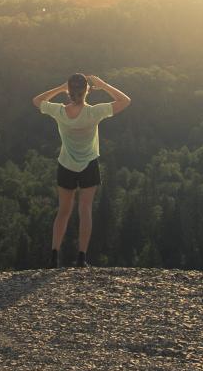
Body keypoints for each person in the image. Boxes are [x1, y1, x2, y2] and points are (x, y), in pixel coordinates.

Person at [32, 73, 131, 268]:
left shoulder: (59, 111)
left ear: (69, 91)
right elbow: (125, 101)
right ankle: (81, 258)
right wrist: (103, 85)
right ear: (87, 91)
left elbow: (37, 101)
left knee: (63, 211)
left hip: (66, 165)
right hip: (89, 165)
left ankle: (54, 256)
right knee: (85, 210)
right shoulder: (94, 112)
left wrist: (60, 88)